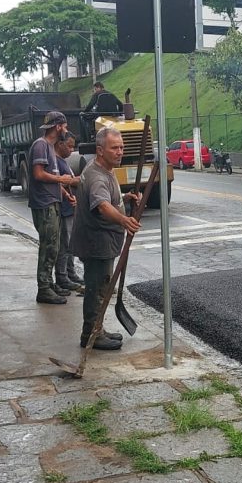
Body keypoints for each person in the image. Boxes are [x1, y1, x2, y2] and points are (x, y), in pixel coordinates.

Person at [71, 127, 140, 351]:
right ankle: (90, 334)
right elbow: (101, 205)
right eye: (114, 148)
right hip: (96, 242)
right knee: (96, 288)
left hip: (103, 241)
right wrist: (123, 220)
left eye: (121, 147)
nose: (120, 152)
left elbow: (110, 199)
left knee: (100, 287)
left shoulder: (106, 169)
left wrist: (125, 198)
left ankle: (96, 328)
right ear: (100, 150)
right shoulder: (96, 176)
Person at [29, 111, 77, 305]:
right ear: (58, 127)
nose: (66, 130)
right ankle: (44, 288)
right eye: (64, 126)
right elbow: (39, 174)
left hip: (53, 201)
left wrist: (65, 194)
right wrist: (61, 179)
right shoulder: (41, 145)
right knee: (48, 246)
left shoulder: (49, 147)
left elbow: (52, 177)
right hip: (44, 204)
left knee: (55, 246)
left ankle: (49, 283)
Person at [54, 132, 85, 293]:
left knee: (70, 243)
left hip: (70, 207)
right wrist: (77, 180)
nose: (72, 150)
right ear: (60, 144)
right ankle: (62, 276)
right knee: (64, 244)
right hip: (64, 208)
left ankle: (70, 273)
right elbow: (59, 183)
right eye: (69, 146)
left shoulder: (63, 162)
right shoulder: (56, 163)